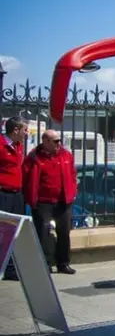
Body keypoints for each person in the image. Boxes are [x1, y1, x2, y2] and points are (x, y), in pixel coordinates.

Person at [23, 130, 78, 274]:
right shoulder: (34, 157)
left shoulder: (66, 155)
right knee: (43, 233)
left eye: (59, 140)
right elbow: (26, 175)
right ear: (45, 141)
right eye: (55, 141)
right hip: (43, 201)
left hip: (63, 200)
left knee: (64, 233)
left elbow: (72, 174)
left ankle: (63, 263)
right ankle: (45, 263)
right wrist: (30, 197)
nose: (59, 143)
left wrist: (73, 192)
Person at [1, 117, 28, 281]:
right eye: (24, 130)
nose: (26, 133)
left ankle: (11, 268)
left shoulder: (18, 146)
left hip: (16, 194)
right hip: (3, 194)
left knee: (14, 231)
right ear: (16, 130)